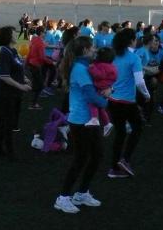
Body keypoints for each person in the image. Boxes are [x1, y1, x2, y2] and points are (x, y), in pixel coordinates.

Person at [54, 36, 109, 214]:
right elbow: (91, 96)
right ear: (84, 50)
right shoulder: (80, 69)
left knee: (97, 155)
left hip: (87, 120)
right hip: (81, 120)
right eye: (92, 47)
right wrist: (106, 100)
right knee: (81, 158)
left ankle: (82, 193)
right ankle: (62, 198)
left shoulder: (84, 66)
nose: (95, 49)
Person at [107, 28, 151, 178]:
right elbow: (139, 82)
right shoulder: (134, 58)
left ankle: (114, 167)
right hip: (127, 101)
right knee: (137, 128)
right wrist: (147, 94)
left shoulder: (113, 56)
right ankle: (125, 159)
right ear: (132, 40)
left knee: (120, 133)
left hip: (112, 100)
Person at [0, 26, 31, 156]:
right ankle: (10, 152)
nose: (16, 35)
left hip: (13, 93)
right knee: (8, 122)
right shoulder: (4, 53)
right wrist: (21, 86)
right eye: (14, 33)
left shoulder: (13, 51)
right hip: (6, 94)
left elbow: (17, 68)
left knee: (6, 121)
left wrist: (25, 79)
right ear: (8, 37)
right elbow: (4, 76)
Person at [87, 46, 116, 136]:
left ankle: (94, 119)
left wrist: (91, 68)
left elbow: (99, 75)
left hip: (100, 88)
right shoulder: (111, 65)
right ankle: (107, 123)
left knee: (93, 103)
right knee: (101, 108)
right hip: (105, 88)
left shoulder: (102, 65)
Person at [25, 26, 54, 110]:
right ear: (41, 33)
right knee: (40, 84)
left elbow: (30, 52)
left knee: (35, 83)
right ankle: (33, 104)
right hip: (36, 65)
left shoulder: (34, 40)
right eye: (45, 32)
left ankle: (32, 100)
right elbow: (42, 57)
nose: (45, 34)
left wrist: (26, 63)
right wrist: (52, 62)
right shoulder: (39, 42)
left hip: (31, 64)